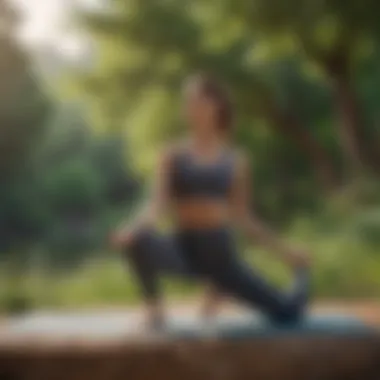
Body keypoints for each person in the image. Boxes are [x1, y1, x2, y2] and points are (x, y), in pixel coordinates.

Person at [111, 73, 311, 330]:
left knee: (288, 313)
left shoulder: (236, 160)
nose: (189, 108)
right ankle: (155, 310)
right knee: (137, 240)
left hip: (219, 254)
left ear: (216, 105)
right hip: (184, 247)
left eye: (196, 101)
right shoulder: (172, 153)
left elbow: (244, 218)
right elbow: (156, 204)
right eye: (187, 102)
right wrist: (133, 228)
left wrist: (287, 252)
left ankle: (295, 272)